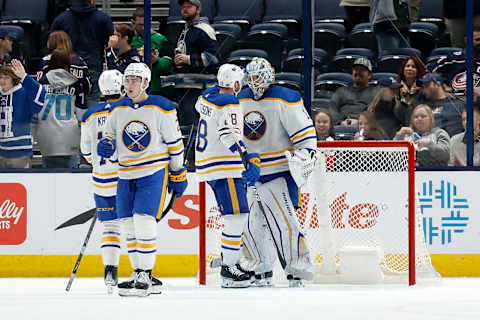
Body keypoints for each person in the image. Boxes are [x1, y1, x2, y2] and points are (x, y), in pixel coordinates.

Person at [97, 63, 187, 297]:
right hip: (125, 174)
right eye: (127, 80)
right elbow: (109, 138)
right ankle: (139, 272)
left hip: (153, 172)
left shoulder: (162, 107)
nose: (130, 84)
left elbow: (175, 143)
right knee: (127, 223)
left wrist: (178, 171)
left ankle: (145, 274)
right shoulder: (117, 109)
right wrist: (106, 147)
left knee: (144, 220)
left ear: (146, 83)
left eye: (135, 80)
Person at [238, 57, 317, 287]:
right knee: (252, 223)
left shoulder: (285, 97)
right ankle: (258, 268)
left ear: (269, 76)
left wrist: (305, 156)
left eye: (258, 77)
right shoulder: (240, 98)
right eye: (250, 77)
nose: (254, 82)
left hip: (280, 170)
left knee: (285, 222)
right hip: (253, 171)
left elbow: (305, 135)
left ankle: (298, 268)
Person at [195, 63, 258, 288]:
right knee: (237, 216)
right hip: (225, 167)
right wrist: (247, 159)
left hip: (209, 164)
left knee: (235, 215)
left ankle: (230, 262)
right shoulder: (231, 102)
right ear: (237, 84)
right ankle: (229, 269)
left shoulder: (208, 98)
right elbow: (228, 134)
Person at [80, 69, 123, 293]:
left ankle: (110, 269)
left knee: (110, 226)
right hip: (126, 178)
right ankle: (144, 270)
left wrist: (98, 162)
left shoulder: (90, 114)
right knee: (136, 224)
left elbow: (86, 152)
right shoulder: (126, 109)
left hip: (101, 178)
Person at [50, 0, 114, 106]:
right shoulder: (103, 18)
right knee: (92, 102)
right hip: (92, 66)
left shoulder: (61, 19)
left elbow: (52, 42)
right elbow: (111, 43)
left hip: (67, 66)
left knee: (67, 101)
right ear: (92, 1)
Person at [36, 49, 89, 168]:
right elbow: (81, 114)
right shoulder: (76, 84)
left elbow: (35, 111)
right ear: (67, 64)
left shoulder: (40, 84)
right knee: (71, 179)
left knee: (48, 180)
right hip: (69, 136)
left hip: (46, 135)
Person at [0, 60, 45, 168]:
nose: (2, 81)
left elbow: (40, 95)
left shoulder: (23, 93)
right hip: (1, 153)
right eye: (1, 77)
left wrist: (25, 77)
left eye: (6, 77)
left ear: (14, 80)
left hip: (20, 153)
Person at [130, 7, 173, 94]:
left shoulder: (161, 39)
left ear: (150, 20)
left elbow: (169, 64)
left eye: (145, 24)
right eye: (140, 25)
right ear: (132, 22)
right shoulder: (129, 40)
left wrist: (157, 61)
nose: (143, 28)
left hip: (154, 88)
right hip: (133, 88)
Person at [428, 27, 480, 99]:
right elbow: (426, 73)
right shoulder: (452, 59)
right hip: (452, 100)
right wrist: (442, 85)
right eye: (477, 40)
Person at [37, 31, 91, 96]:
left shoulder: (45, 61)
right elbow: (88, 88)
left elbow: (38, 87)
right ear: (68, 43)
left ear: (50, 43)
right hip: (74, 104)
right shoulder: (80, 62)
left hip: (49, 104)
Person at [329, 57, 380, 125]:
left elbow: (378, 113)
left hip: (365, 127)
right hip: (342, 126)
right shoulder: (341, 91)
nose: (358, 72)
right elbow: (332, 108)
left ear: (369, 75)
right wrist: (340, 122)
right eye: (356, 69)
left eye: (362, 70)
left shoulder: (375, 92)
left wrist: (361, 122)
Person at [175, 0, 219, 74]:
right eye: (183, 7)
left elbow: (213, 58)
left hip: (201, 81)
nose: (185, 9)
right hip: (184, 78)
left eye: (189, 6)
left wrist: (188, 59)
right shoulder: (183, 29)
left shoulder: (205, 30)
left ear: (198, 10)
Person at [395, 56, 426, 125]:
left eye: (413, 67)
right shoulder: (395, 88)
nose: (409, 69)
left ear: (418, 70)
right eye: (407, 66)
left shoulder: (423, 89)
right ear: (403, 69)